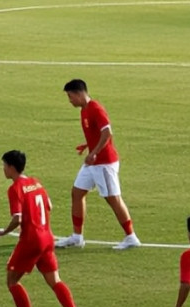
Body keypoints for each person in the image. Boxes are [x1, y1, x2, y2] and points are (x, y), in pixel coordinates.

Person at [0, 150, 84, 307]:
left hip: (31, 240)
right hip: (47, 238)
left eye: (4, 166)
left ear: (11, 167)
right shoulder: (36, 182)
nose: (3, 169)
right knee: (55, 281)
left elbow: (17, 218)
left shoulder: (15, 188)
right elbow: (49, 205)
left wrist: (4, 231)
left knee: (12, 281)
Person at [55, 79, 140, 251]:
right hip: (93, 163)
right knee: (77, 193)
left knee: (113, 199)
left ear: (79, 93)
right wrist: (88, 146)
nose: (70, 101)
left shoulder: (95, 108)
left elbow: (107, 132)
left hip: (104, 163)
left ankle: (131, 236)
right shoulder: (84, 110)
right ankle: (77, 237)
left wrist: (93, 152)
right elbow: (97, 134)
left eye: (70, 96)